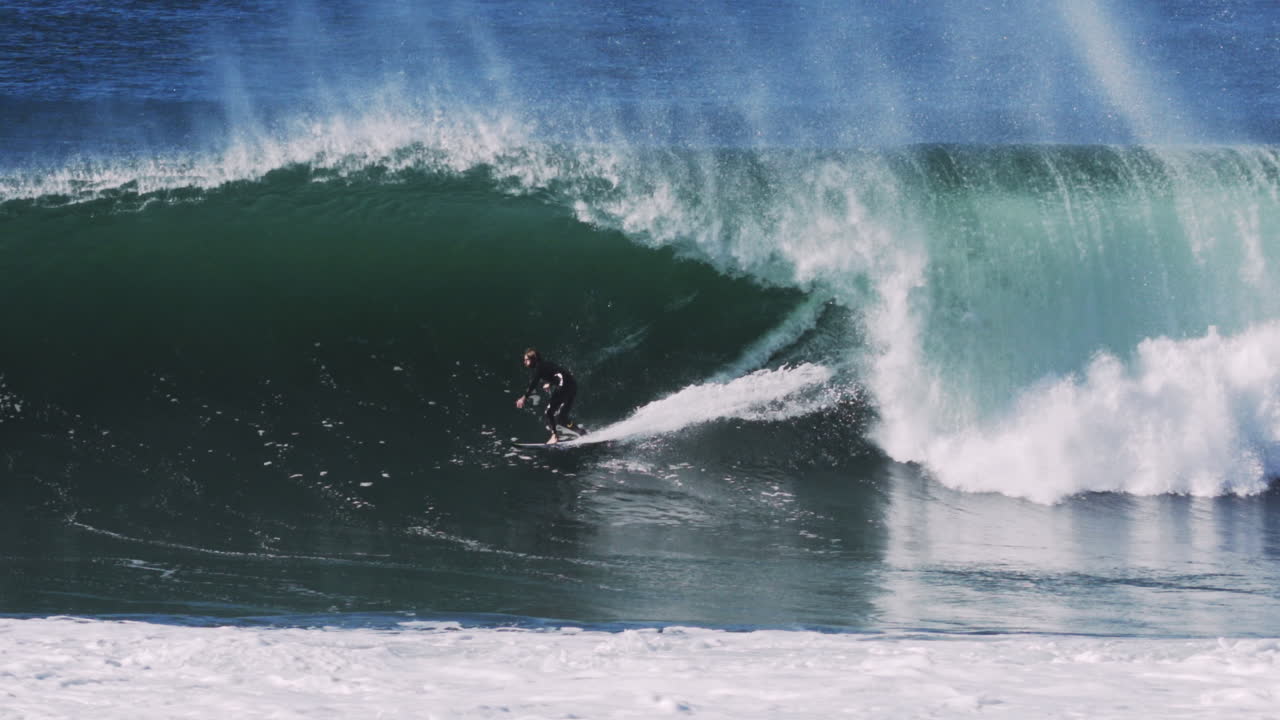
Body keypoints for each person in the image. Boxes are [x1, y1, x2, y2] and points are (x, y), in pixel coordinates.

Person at [515, 348, 585, 444]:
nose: (524, 362)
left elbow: (534, 383)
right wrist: (551, 383)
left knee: (549, 412)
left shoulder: (539, 368)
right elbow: (561, 374)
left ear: (533, 359)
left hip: (564, 386)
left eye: (527, 360)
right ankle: (581, 432)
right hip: (572, 385)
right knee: (561, 418)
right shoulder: (547, 365)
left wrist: (524, 398)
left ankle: (554, 436)